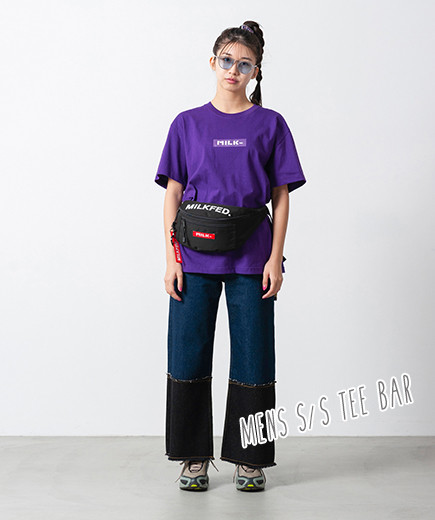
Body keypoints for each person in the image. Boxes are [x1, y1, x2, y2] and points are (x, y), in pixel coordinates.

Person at [154, 20, 307, 492]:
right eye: (226, 60)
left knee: (254, 358)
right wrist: (172, 258)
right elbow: (173, 194)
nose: (233, 70)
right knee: (187, 355)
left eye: (244, 64)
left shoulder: (271, 124)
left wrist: (276, 259)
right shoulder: (186, 123)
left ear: (255, 71)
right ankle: (192, 458)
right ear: (212, 62)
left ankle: (250, 460)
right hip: (194, 257)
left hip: (252, 259)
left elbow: (281, 196)